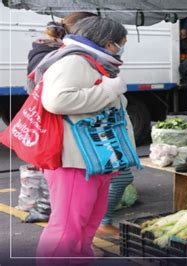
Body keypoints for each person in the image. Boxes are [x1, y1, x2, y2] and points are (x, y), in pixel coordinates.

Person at [26, 12, 137, 241]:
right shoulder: (74, 60)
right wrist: (110, 89)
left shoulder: (92, 61)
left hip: (94, 158)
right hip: (75, 162)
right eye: (121, 44)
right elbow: (57, 100)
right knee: (67, 229)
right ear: (108, 43)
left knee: (87, 223)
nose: (121, 49)